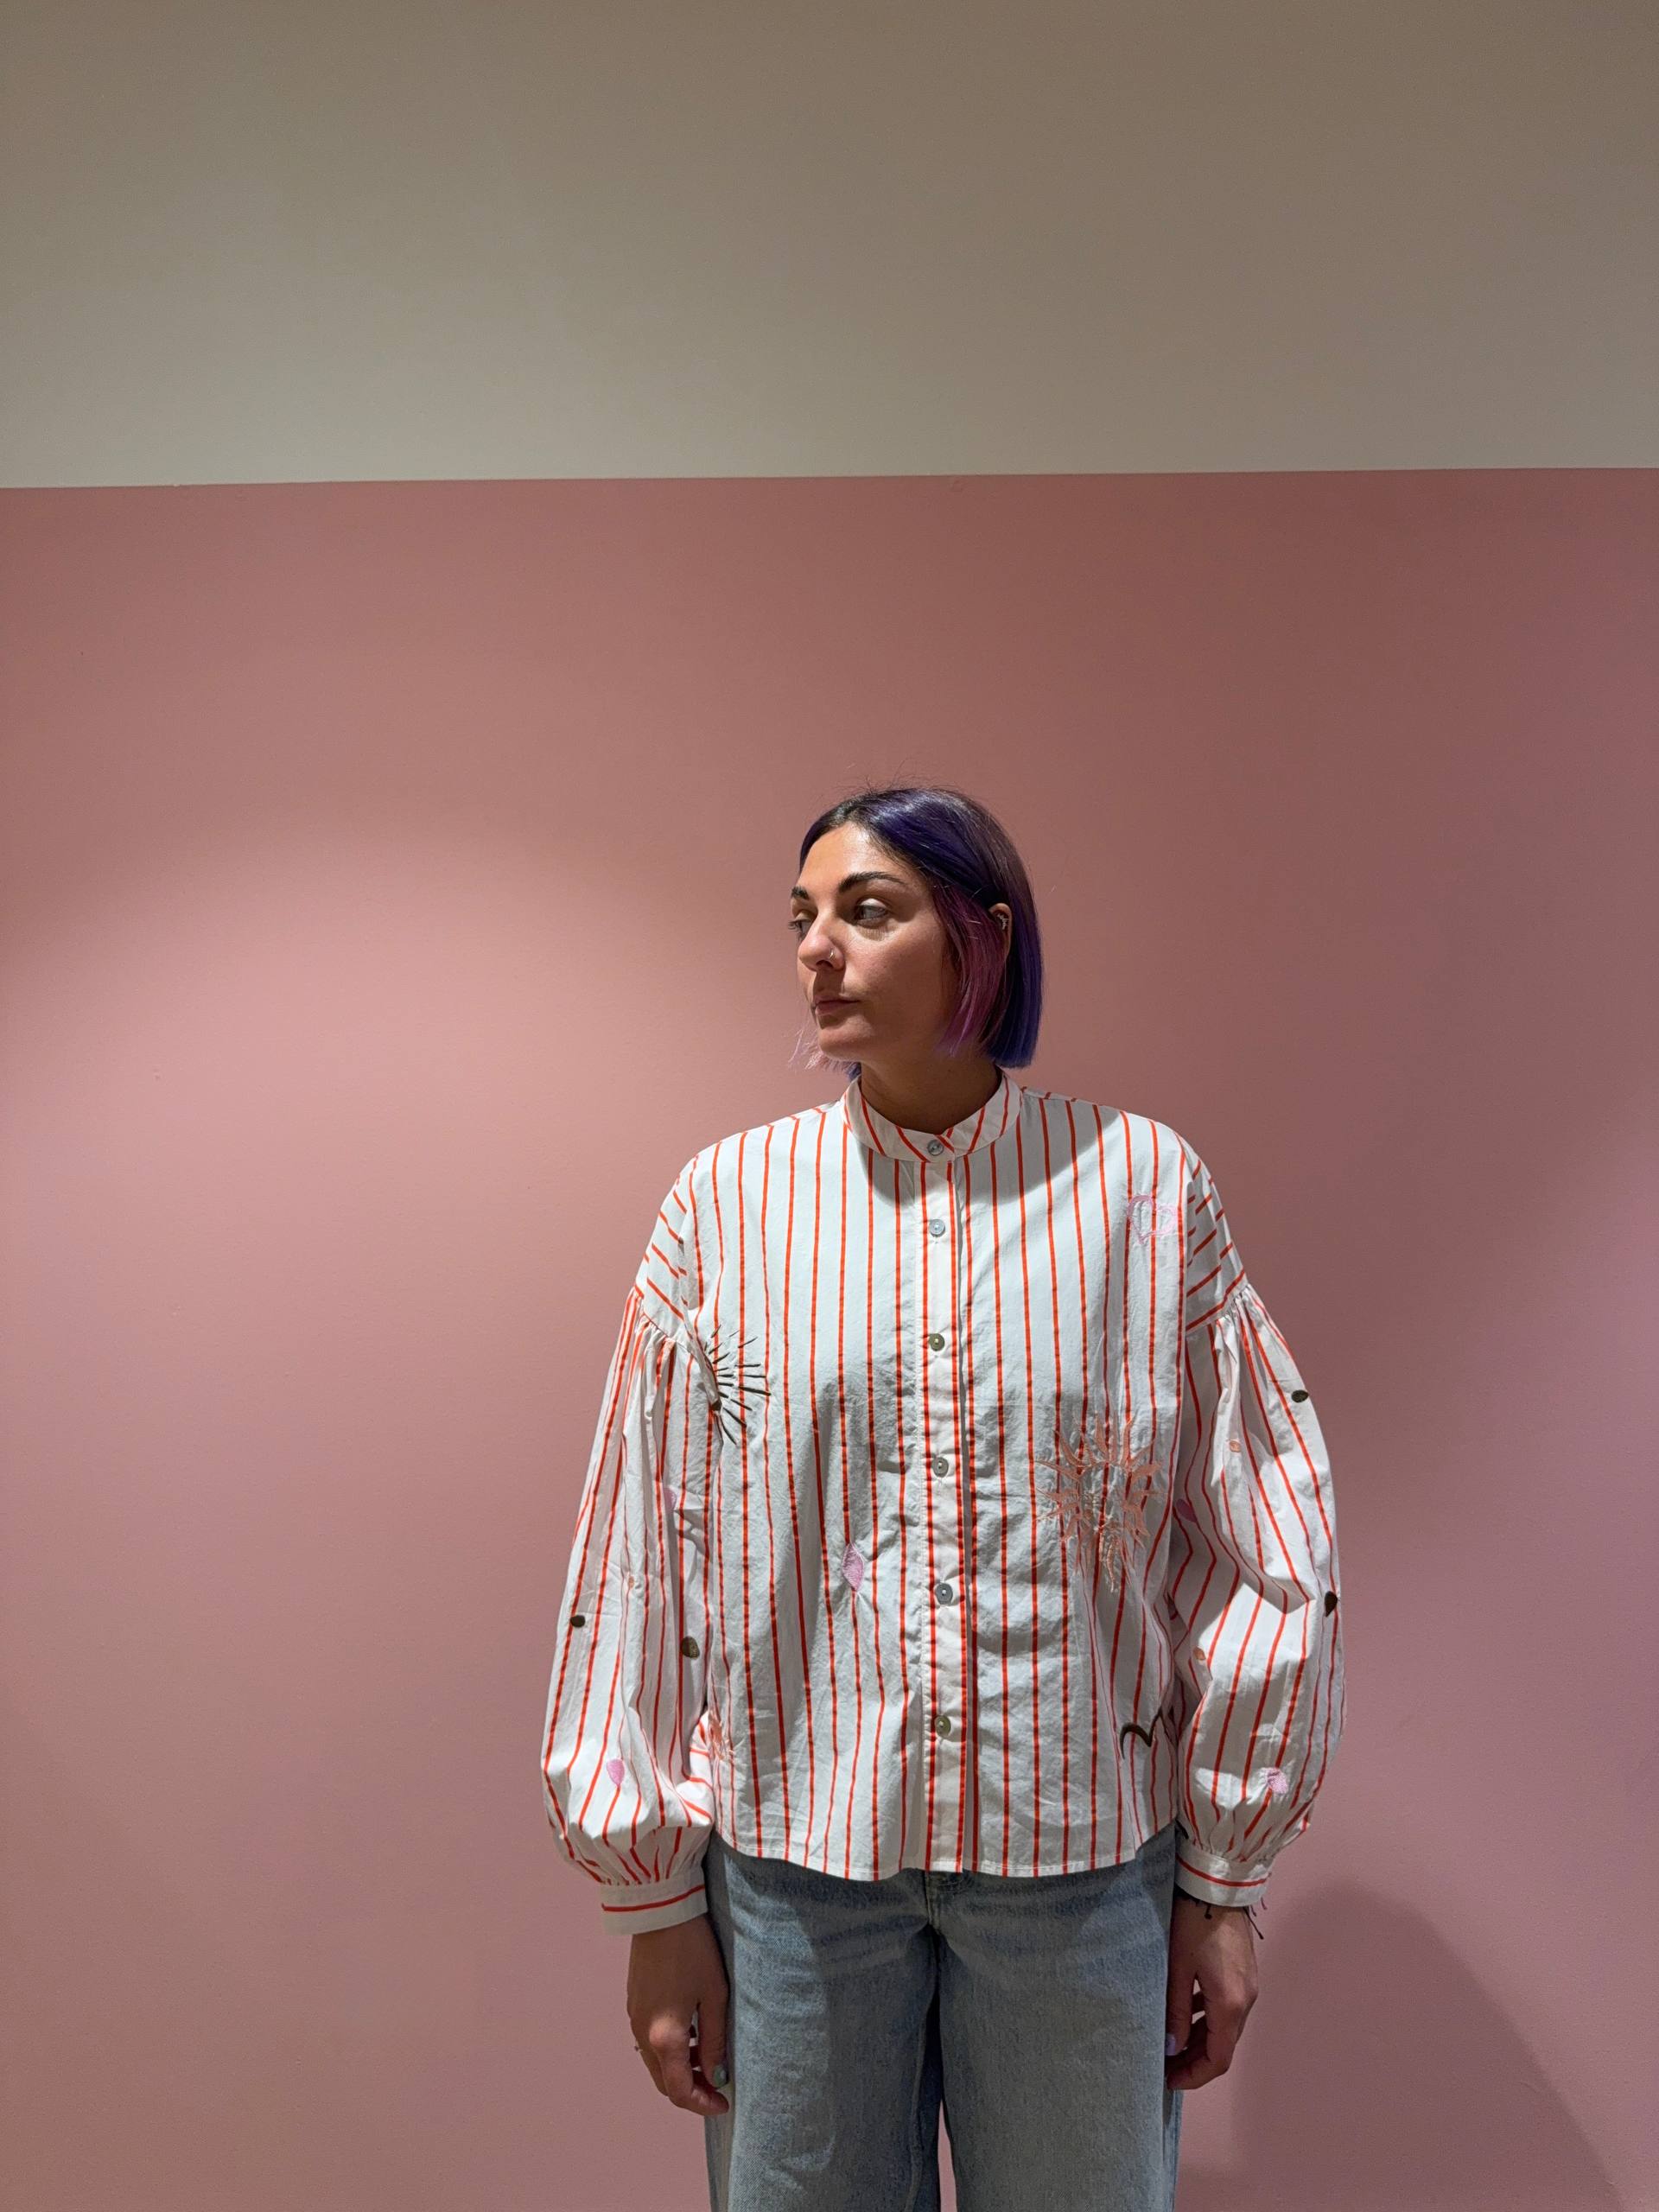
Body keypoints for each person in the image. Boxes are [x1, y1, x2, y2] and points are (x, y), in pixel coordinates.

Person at [538, 783, 1345, 2211]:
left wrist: (1223, 1886)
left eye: (867, 910)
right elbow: (641, 1547)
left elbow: (1268, 1532)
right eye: (803, 916)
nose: (818, 949)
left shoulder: (1144, 1193)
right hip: (793, 1876)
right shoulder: (725, 1209)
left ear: (985, 936)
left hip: (1082, 1871)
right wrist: (653, 1901)